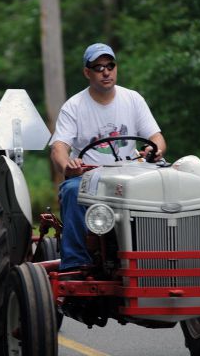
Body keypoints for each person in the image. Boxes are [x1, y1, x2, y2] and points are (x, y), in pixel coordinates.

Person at [49, 43, 166, 271]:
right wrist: (68, 165)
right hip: (90, 178)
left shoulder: (133, 99)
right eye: (98, 67)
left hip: (132, 176)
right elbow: (59, 148)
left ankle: (160, 257)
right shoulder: (74, 106)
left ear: (115, 68)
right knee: (72, 190)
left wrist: (156, 149)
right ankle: (75, 265)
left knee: (165, 184)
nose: (105, 71)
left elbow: (156, 137)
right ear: (87, 72)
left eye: (110, 65)